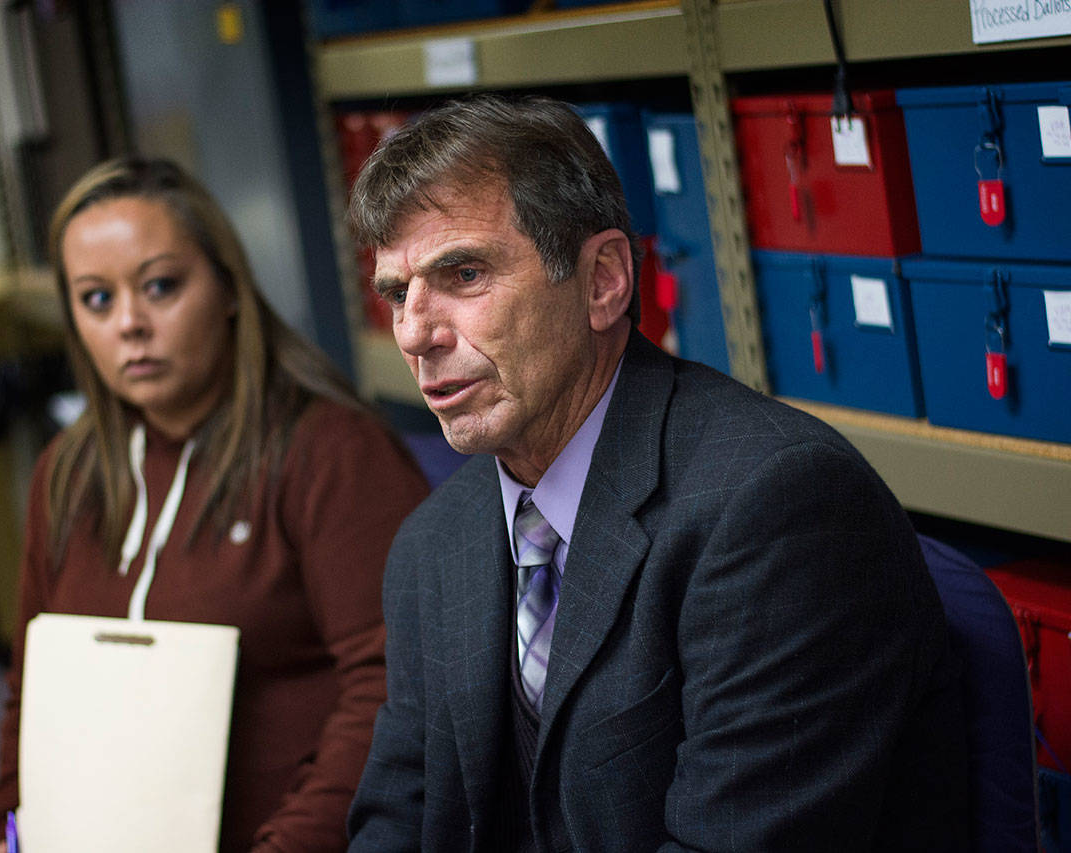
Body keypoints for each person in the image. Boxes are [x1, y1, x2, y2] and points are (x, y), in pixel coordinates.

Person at [344, 94, 969, 851]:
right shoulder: (432, 544)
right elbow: (397, 821)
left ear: (603, 280)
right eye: (396, 293)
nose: (415, 333)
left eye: (465, 273)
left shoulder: (777, 505)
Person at [0, 157, 430, 852]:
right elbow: (32, 692)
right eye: (96, 299)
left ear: (226, 288)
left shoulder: (334, 454)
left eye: (160, 286)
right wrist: (8, 834)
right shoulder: (67, 472)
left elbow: (396, 691)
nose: (129, 323)